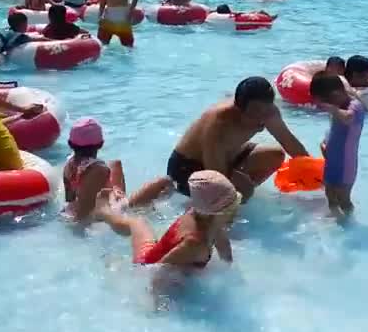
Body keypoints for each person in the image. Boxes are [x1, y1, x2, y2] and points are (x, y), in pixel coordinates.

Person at [163, 76, 309, 203]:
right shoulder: (220, 122)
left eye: (265, 110)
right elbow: (215, 173)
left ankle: (237, 201)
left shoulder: (269, 113)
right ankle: (218, 209)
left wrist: (315, 171)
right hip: (187, 168)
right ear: (238, 108)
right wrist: (238, 188)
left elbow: (289, 142)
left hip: (229, 156)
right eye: (255, 112)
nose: (261, 116)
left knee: (275, 155)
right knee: (243, 189)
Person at [92, 170, 239, 268]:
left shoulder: (206, 218)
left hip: (161, 252)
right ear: (215, 211)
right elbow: (156, 272)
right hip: (147, 264)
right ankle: (104, 212)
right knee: (135, 222)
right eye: (232, 207)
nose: (236, 211)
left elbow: (225, 252)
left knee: (139, 222)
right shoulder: (194, 244)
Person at [310, 71, 365, 216]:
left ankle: (348, 222)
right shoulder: (337, 107)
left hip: (346, 162)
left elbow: (348, 118)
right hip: (332, 158)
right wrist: (325, 142)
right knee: (329, 192)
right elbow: (334, 128)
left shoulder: (355, 106)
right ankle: (334, 219)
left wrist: (331, 108)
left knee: (343, 197)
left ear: (336, 94)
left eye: (327, 101)